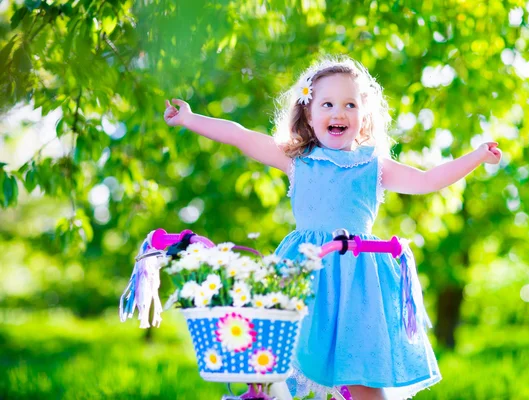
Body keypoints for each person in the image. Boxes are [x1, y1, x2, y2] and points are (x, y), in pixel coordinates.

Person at [164, 56, 502, 400]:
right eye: (327, 104)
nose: (338, 113)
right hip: (304, 274)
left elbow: (428, 179)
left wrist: (476, 156)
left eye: (350, 104)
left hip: (360, 282)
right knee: (276, 370)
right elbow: (241, 136)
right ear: (309, 115)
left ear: (364, 116)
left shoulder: (374, 167)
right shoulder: (298, 159)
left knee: (364, 379)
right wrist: (190, 119)